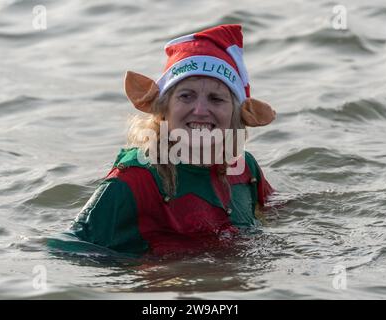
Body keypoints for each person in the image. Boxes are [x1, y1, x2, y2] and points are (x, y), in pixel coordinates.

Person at [67, 24, 276, 257]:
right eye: (186, 96)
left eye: (216, 99)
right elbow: (72, 250)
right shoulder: (132, 180)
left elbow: (277, 213)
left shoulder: (246, 167)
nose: (200, 110)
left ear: (237, 115)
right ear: (163, 108)